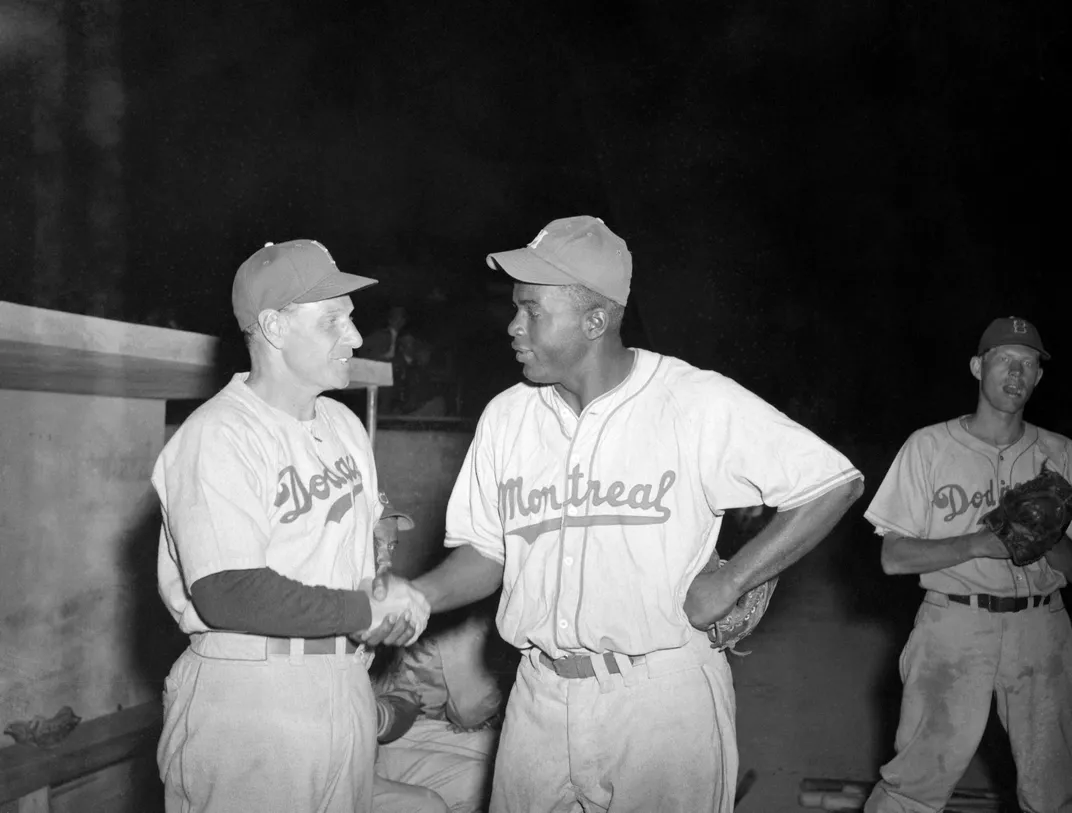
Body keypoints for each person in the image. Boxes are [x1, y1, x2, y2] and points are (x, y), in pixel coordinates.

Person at [410, 215, 865, 812]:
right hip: (538, 695)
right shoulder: (507, 415)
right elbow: (486, 552)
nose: (513, 326)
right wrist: (412, 596)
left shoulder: (693, 399)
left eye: (533, 310)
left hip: (661, 701)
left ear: (595, 320)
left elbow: (832, 482)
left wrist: (732, 579)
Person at [152, 239, 431, 813]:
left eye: (351, 319)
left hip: (344, 685)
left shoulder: (344, 424)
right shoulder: (220, 434)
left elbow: (356, 548)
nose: (355, 337)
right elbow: (226, 591)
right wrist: (363, 610)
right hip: (251, 700)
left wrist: (386, 594)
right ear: (274, 327)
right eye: (334, 320)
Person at [862, 316, 1072, 813]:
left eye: (1028, 364)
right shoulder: (928, 447)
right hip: (953, 627)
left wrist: (1042, 539)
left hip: (1044, 632)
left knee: (1056, 790)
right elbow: (893, 557)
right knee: (914, 786)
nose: (1016, 373)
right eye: (1004, 360)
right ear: (979, 366)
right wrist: (980, 543)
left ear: (1039, 377)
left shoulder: (1061, 453)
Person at [374, 610, 516, 812]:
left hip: (395, 724)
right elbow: (468, 711)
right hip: (377, 738)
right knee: (482, 783)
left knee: (507, 754)